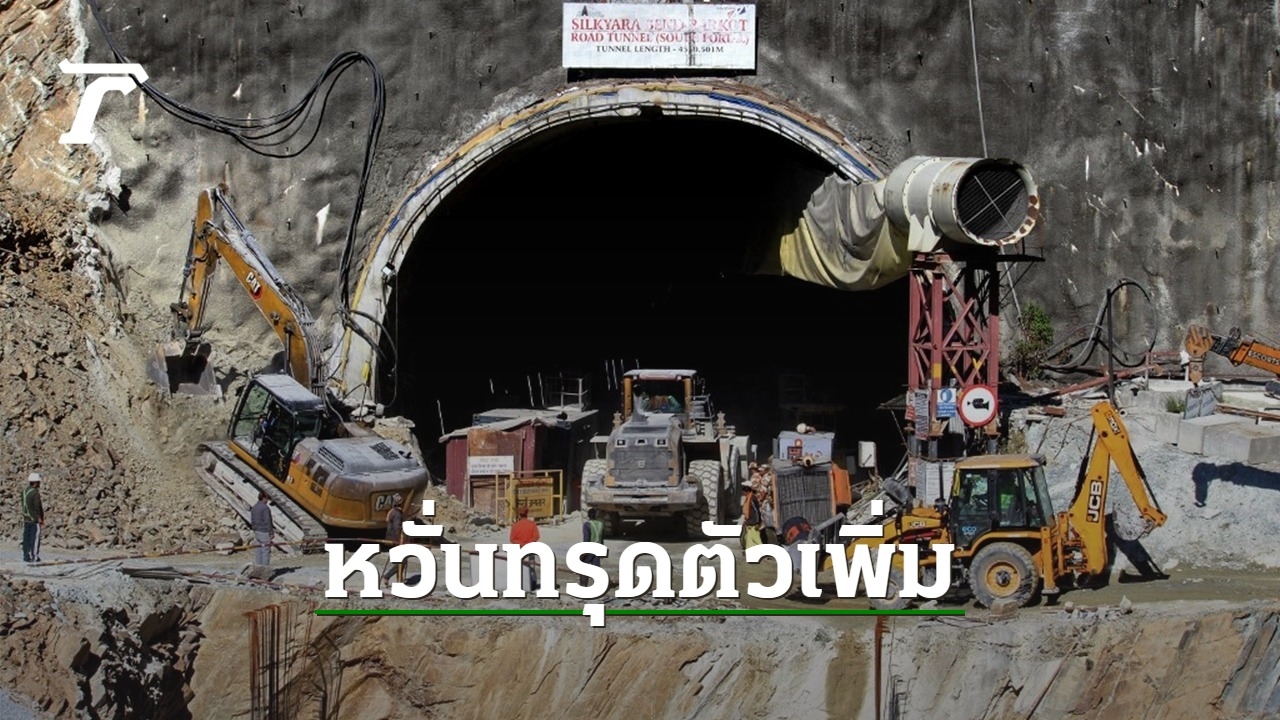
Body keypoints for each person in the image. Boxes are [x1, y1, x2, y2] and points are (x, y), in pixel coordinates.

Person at [509, 506, 541, 590]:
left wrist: (521, 544)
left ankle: (521, 583)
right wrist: (528, 543)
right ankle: (532, 583)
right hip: (530, 549)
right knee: (531, 566)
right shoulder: (532, 524)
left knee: (520, 566)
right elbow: (536, 536)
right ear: (527, 513)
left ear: (519, 514)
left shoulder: (515, 526)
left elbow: (512, 539)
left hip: (519, 549)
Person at [381, 494, 406, 588]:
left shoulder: (392, 512)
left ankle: (400, 579)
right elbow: (397, 527)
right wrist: (400, 540)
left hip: (391, 539)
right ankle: (387, 577)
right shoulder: (397, 514)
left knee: (401, 560)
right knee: (402, 561)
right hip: (396, 540)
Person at [21, 473, 44, 563]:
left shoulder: (24, 491)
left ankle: (26, 555)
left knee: (26, 537)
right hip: (34, 519)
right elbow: (37, 506)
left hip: (26, 518)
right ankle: (34, 556)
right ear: (36, 482)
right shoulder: (34, 493)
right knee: (35, 538)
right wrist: (40, 518)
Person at [579, 508, 605, 584]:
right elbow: (602, 538)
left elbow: (586, 539)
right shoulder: (601, 524)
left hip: (590, 548)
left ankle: (584, 584)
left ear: (588, 515)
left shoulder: (587, 525)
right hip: (598, 548)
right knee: (596, 566)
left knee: (583, 566)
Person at [251, 491, 274, 567]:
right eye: (267, 498)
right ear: (264, 498)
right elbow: (268, 521)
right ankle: (265, 569)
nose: (267, 500)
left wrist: (254, 529)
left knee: (258, 551)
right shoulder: (265, 508)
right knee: (265, 551)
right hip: (264, 532)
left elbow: (252, 520)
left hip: (257, 531)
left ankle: (258, 567)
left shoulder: (254, 507)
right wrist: (271, 532)